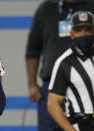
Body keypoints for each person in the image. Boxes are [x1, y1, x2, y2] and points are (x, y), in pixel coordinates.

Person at [25, 0, 94, 130]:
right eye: (79, 30)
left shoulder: (91, 6)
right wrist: (31, 84)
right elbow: (33, 49)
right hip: (51, 84)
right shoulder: (46, 9)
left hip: (86, 83)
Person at [48, 11, 94, 131]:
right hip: (80, 124)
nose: (84, 34)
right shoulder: (64, 62)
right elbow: (52, 104)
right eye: (79, 30)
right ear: (72, 34)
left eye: (88, 29)